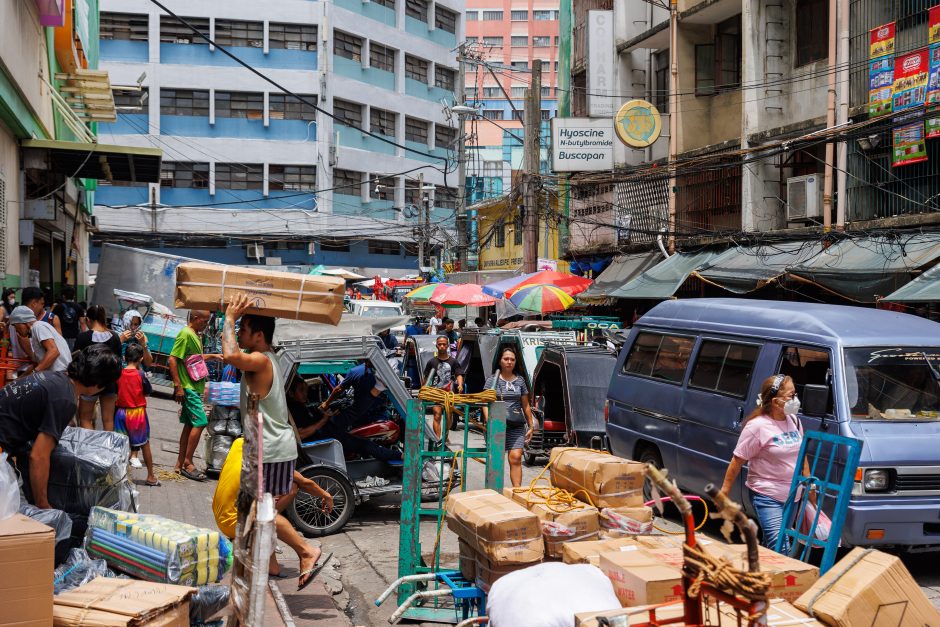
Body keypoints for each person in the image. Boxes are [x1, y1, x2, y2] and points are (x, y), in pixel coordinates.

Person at [221, 293, 329, 589]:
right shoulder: (264, 359)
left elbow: (231, 356)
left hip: (270, 448)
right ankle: (270, 562)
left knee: (261, 510)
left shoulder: (259, 360)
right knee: (259, 507)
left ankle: (307, 551)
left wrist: (229, 317)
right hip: (268, 447)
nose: (239, 333)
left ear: (258, 335)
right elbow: (229, 356)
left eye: (243, 329)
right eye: (238, 328)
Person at [0, 345, 122, 508]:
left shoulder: (55, 378)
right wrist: (43, 505)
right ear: (99, 385)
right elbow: (38, 456)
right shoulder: (65, 400)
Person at [718, 374, 814, 553]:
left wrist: (809, 485)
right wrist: (724, 492)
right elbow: (738, 460)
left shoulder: (794, 421)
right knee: (781, 547)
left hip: (793, 496)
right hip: (767, 495)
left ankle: (758, 574)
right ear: (775, 401)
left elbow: (802, 455)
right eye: (791, 396)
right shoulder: (757, 426)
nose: (796, 400)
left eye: (795, 394)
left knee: (773, 545)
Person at [314, 361, 402, 462]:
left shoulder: (356, 371)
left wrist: (326, 406)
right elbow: (357, 407)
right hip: (368, 416)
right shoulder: (333, 425)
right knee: (369, 445)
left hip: (364, 416)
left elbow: (340, 391)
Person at [168, 309, 219, 481]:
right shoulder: (186, 334)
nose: (206, 325)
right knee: (201, 421)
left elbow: (194, 358)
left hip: (194, 386)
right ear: (195, 319)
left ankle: (179, 464)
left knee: (189, 425)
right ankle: (188, 462)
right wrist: (178, 386)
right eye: (204, 321)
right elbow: (173, 359)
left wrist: (213, 356)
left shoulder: (195, 335)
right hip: (188, 387)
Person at [482, 348, 536, 487]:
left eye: (512, 359)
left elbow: (526, 405)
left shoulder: (520, 381)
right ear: (500, 361)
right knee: (496, 461)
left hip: (516, 426)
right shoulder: (492, 381)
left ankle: (517, 492)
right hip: (497, 425)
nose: (509, 362)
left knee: (516, 457)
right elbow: (485, 403)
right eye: (506, 359)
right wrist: (490, 421)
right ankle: (494, 492)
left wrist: (531, 426)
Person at [114, 343, 159, 487]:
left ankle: (116, 475)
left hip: (120, 412)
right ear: (140, 359)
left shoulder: (119, 373)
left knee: (119, 445)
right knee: (145, 444)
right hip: (136, 413)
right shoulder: (140, 374)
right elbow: (147, 391)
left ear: (124, 357)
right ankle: (151, 476)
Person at [73, 305, 122, 430]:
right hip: (109, 384)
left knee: (85, 418)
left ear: (88, 320)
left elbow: (75, 360)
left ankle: (88, 448)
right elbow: (118, 363)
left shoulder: (83, 337)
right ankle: (107, 448)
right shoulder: (115, 337)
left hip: (88, 383)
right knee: (108, 420)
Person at [9, 306, 71, 374]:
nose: (16, 330)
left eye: (15, 326)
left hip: (59, 374)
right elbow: (37, 364)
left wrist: (35, 372)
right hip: (56, 374)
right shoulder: (36, 331)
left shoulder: (38, 326)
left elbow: (54, 351)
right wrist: (19, 379)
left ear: (23, 322)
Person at [423, 335, 463, 440]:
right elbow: (426, 377)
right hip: (435, 393)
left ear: (448, 346)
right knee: (437, 414)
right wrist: (423, 390)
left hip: (449, 394)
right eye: (439, 344)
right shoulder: (431, 362)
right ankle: (437, 439)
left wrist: (460, 385)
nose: (442, 346)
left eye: (444, 344)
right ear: (436, 346)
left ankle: (445, 436)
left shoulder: (453, 361)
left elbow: (459, 374)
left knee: (449, 417)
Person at [287, 377, 329, 442]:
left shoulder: (301, 405)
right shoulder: (294, 410)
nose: (305, 393)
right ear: (291, 393)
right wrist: (324, 420)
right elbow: (300, 434)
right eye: (301, 390)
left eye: (305, 390)